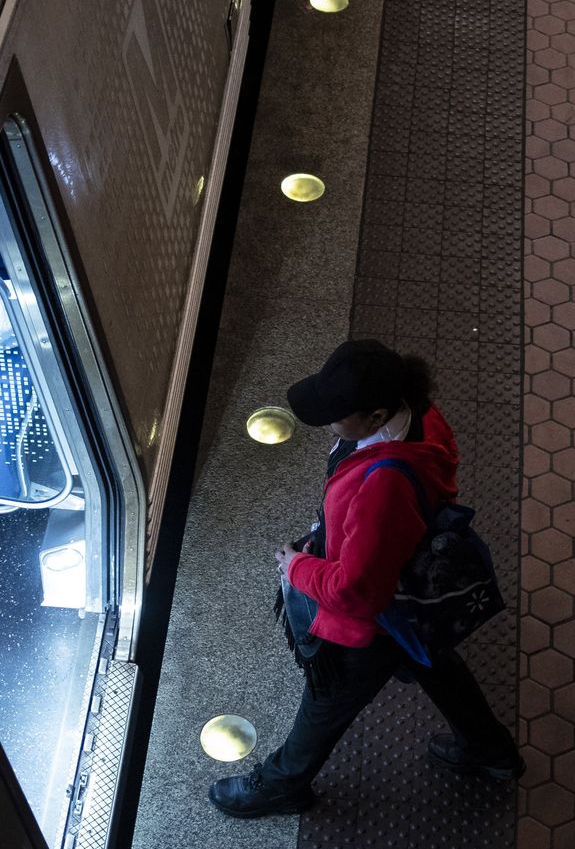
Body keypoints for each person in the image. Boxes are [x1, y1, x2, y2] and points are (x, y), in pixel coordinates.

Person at [209, 340, 523, 817]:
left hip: (372, 622)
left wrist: (296, 567)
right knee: (428, 655)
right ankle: (491, 751)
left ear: (375, 417)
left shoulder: (386, 484)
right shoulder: (420, 415)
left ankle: (279, 785)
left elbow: (355, 592)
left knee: (325, 704)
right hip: (411, 599)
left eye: (338, 415)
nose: (330, 424)